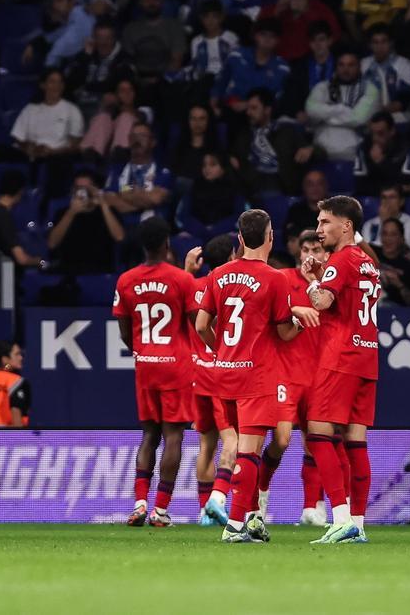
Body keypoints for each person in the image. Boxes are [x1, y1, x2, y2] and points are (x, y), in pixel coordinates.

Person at [195, 209, 300, 543]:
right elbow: (284, 332)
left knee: (237, 447)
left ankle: (243, 521)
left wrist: (223, 351)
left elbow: (201, 326)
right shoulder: (276, 279)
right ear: (270, 237)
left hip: (223, 374)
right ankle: (236, 525)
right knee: (250, 452)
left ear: (240, 239)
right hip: (256, 376)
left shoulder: (218, 275)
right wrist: (299, 322)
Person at [289, 195, 379, 545]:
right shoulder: (368, 262)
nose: (318, 228)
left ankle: (340, 518)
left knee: (318, 434)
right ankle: (357, 522)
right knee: (356, 443)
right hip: (367, 356)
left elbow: (323, 302)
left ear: (346, 226)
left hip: (340, 355)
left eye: (325, 222)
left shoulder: (341, 260)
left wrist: (312, 282)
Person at [114, 216, 198, 528]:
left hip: (145, 363)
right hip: (176, 365)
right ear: (167, 244)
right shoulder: (182, 280)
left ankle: (138, 504)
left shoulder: (125, 280)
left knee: (149, 433)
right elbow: (196, 323)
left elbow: (125, 331)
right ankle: (160, 510)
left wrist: (140, 350)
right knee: (173, 435)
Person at [256, 230, 326, 526]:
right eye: (306, 248)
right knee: (281, 441)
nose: (311, 254)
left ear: (325, 254)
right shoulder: (282, 279)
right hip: (285, 373)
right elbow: (265, 313)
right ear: (299, 251)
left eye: (317, 249)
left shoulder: (329, 286)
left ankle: (313, 507)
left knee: (316, 442)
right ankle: (259, 496)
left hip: (319, 374)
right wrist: (293, 309)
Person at [184, 233, 238, 526]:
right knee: (234, 440)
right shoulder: (231, 287)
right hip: (221, 372)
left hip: (197, 375)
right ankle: (217, 500)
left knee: (206, 445)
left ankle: (203, 510)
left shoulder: (191, 286)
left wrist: (188, 271)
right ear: (231, 257)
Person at [0, 68, 84, 186]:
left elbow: (76, 144)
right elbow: (18, 137)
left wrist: (52, 152)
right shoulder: (31, 109)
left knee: (59, 161)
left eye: (60, 82)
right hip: (31, 152)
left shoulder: (72, 110)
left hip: (57, 154)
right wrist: (30, 148)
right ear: (43, 85)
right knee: (0, 151)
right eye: (52, 82)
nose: (56, 86)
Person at [229, 88, 313, 196]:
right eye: (248, 108)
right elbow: (233, 157)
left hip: (282, 188)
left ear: (267, 110)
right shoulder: (243, 135)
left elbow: (318, 152)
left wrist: (310, 149)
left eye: (254, 108)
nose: (248, 112)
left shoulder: (287, 131)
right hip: (252, 190)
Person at [212, 18, 291, 123]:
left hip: (261, 115)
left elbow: (277, 99)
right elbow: (220, 82)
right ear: (255, 36)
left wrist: (249, 105)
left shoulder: (283, 68)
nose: (267, 39)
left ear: (278, 41)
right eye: (263, 34)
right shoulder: (237, 55)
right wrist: (213, 104)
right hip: (230, 108)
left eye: (272, 36)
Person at [305, 49, 378, 161]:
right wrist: (342, 109)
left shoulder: (370, 89)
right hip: (321, 150)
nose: (346, 69)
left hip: (355, 151)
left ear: (359, 67)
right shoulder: (322, 87)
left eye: (351, 65)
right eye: (341, 65)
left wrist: (325, 115)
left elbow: (358, 118)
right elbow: (311, 111)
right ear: (336, 67)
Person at [47, 170, 125, 275]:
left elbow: (119, 237)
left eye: (87, 188)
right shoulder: (63, 212)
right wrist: (71, 213)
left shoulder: (107, 211)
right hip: (68, 271)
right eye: (78, 188)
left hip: (100, 270)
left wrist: (103, 204)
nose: (83, 192)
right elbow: (52, 243)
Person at [261, 0, 341, 62]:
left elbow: (334, 37)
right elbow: (257, 37)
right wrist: (276, 13)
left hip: (309, 64)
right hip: (275, 62)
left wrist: (307, 12)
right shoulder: (273, 8)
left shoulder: (321, 9)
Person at [104, 122, 172, 226]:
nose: (137, 140)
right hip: (120, 230)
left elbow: (155, 199)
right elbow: (111, 200)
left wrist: (123, 194)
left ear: (153, 142)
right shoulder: (117, 170)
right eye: (133, 136)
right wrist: (142, 197)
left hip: (151, 231)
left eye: (142, 136)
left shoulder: (163, 171)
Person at [65, 19, 135, 117]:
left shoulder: (124, 60)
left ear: (115, 39)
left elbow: (113, 85)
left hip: (107, 110)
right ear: (93, 39)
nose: (103, 43)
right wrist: (86, 57)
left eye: (108, 38)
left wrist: (86, 87)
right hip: (78, 106)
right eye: (99, 38)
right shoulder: (84, 56)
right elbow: (70, 83)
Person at [0, 169, 44, 269]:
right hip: (2, 274)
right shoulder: (4, 217)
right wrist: (40, 261)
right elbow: (21, 259)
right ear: (20, 192)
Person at [122, 0, 188, 83]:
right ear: (140, 2)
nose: (151, 3)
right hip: (137, 83)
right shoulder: (130, 29)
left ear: (162, 1)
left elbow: (176, 61)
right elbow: (128, 63)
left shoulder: (175, 27)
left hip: (166, 82)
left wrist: (159, 81)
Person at [23, 0, 96, 70]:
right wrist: (33, 44)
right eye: (53, 1)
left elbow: (55, 54)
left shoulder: (80, 17)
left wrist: (46, 79)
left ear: (72, 2)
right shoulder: (70, 17)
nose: (55, 5)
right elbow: (51, 36)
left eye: (60, 0)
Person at [352, 112, 410, 197]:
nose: (375, 138)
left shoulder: (408, 149)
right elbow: (360, 186)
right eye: (372, 133)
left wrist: (381, 163)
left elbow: (407, 186)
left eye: (380, 133)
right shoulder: (364, 148)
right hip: (372, 202)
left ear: (392, 131)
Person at [80, 76, 146, 164]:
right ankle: (91, 155)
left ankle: (120, 155)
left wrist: (124, 109)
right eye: (122, 91)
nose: (127, 93)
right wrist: (108, 106)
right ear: (116, 94)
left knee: (125, 117)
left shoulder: (143, 111)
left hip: (127, 151)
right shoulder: (109, 113)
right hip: (101, 152)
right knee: (103, 117)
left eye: (130, 90)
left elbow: (142, 120)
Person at [361, 24, 410, 127]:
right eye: (375, 42)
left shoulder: (405, 65)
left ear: (391, 43)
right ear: (369, 45)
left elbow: (404, 99)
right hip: (367, 118)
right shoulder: (362, 65)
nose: (379, 47)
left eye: (384, 41)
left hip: (398, 118)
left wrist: (379, 114)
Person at [180, 152, 241, 233]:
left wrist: (217, 229)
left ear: (223, 168)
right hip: (197, 233)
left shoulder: (235, 189)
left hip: (226, 233)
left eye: (213, 165)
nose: (207, 168)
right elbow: (183, 215)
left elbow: (240, 216)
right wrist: (200, 229)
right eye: (204, 165)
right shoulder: (194, 188)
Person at [170, 104, 221, 189]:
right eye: (193, 118)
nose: (197, 123)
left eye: (202, 119)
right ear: (188, 121)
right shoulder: (178, 148)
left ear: (208, 121)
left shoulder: (217, 148)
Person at [374, 218, 410, 306]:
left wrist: (399, 285)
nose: (388, 239)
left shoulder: (409, 266)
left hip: (392, 310)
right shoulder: (370, 252)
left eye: (393, 235)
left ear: (401, 239)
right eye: (385, 234)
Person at [361, 183, 410, 249]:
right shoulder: (369, 224)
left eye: (392, 197)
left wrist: (385, 221)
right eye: (384, 197)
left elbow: (402, 251)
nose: (387, 201)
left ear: (401, 201)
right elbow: (367, 252)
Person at [285, 169, 329, 252]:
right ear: (304, 187)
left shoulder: (334, 210)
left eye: (319, 183)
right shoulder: (295, 211)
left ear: (326, 186)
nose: (315, 188)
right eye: (310, 184)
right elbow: (290, 239)